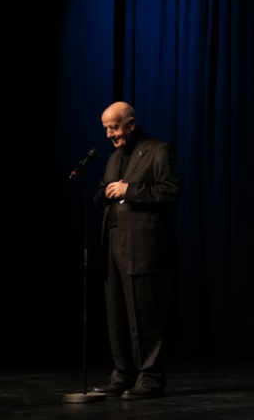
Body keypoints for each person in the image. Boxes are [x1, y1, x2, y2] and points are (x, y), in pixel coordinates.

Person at [93, 102, 180, 400]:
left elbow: (169, 191)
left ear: (131, 124)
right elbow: (102, 191)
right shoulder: (114, 157)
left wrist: (129, 190)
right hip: (112, 244)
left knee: (143, 315)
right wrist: (104, 192)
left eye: (113, 127)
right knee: (116, 314)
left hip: (141, 246)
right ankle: (122, 374)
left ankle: (151, 378)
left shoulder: (158, 150)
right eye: (106, 128)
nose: (109, 134)